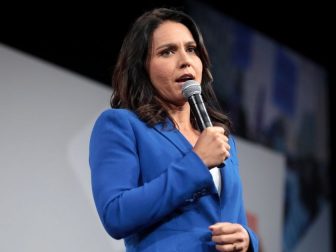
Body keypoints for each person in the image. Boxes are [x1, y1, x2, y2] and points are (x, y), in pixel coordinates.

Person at [89, 7, 259, 252]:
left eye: (191, 50)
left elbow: (233, 217)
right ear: (142, 67)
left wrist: (247, 238)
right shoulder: (121, 125)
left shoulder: (220, 137)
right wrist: (197, 163)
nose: (185, 61)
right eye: (167, 52)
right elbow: (116, 214)